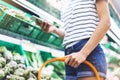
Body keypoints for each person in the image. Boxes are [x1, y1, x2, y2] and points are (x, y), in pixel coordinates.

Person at [35, 0, 110, 80]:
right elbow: (71, 36)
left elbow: (106, 22)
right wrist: (54, 29)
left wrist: (83, 53)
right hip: (70, 56)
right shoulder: (64, 3)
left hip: (89, 53)